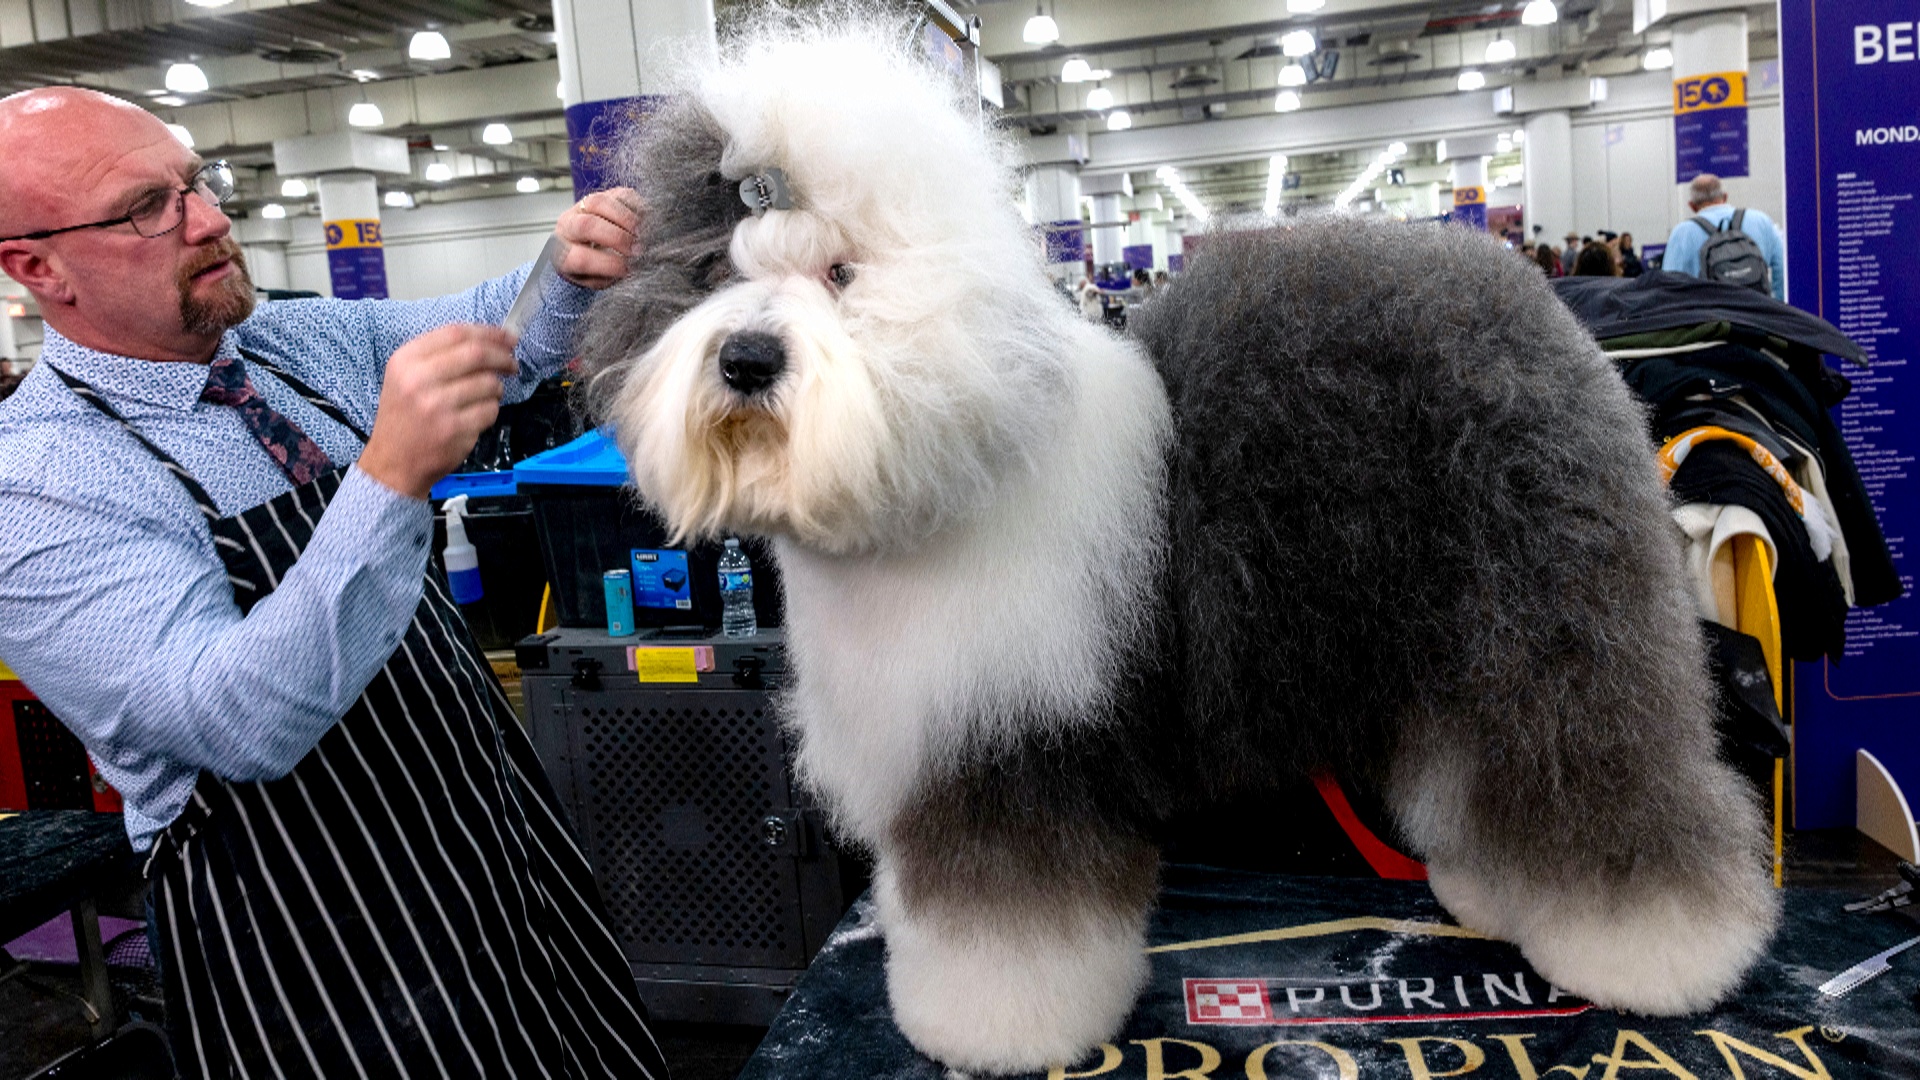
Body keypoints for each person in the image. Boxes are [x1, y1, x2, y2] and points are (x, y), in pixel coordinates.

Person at [0, 88, 668, 1078]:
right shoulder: (38, 484)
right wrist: (390, 477)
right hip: (312, 940)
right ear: (37, 268)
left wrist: (566, 267)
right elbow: (234, 721)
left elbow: (498, 336)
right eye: (147, 208)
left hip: (487, 843)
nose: (209, 219)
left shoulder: (289, 349)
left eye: (196, 183)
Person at [1661, 173, 1786, 300]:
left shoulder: (1681, 233)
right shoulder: (1761, 221)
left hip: (1709, 311)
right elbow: (1782, 268)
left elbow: (1669, 286)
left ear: (1692, 206)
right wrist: (1776, 304)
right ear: (1725, 197)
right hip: (1758, 309)